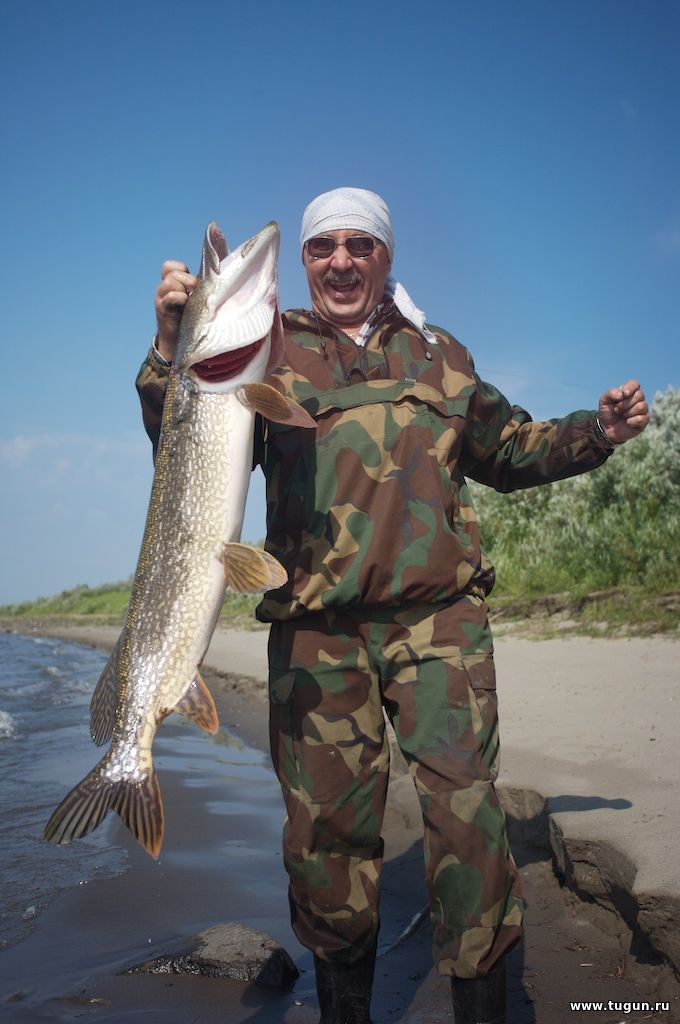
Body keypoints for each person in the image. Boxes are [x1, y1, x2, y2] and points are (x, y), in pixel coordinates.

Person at [136, 188, 650, 1024]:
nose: (340, 260)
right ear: (303, 262)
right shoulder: (263, 348)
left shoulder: (439, 354)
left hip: (439, 628)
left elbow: (508, 447)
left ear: (386, 255)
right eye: (323, 247)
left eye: (359, 245)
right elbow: (186, 446)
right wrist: (166, 350)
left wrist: (597, 429)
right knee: (325, 844)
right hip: (315, 636)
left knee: (469, 824)